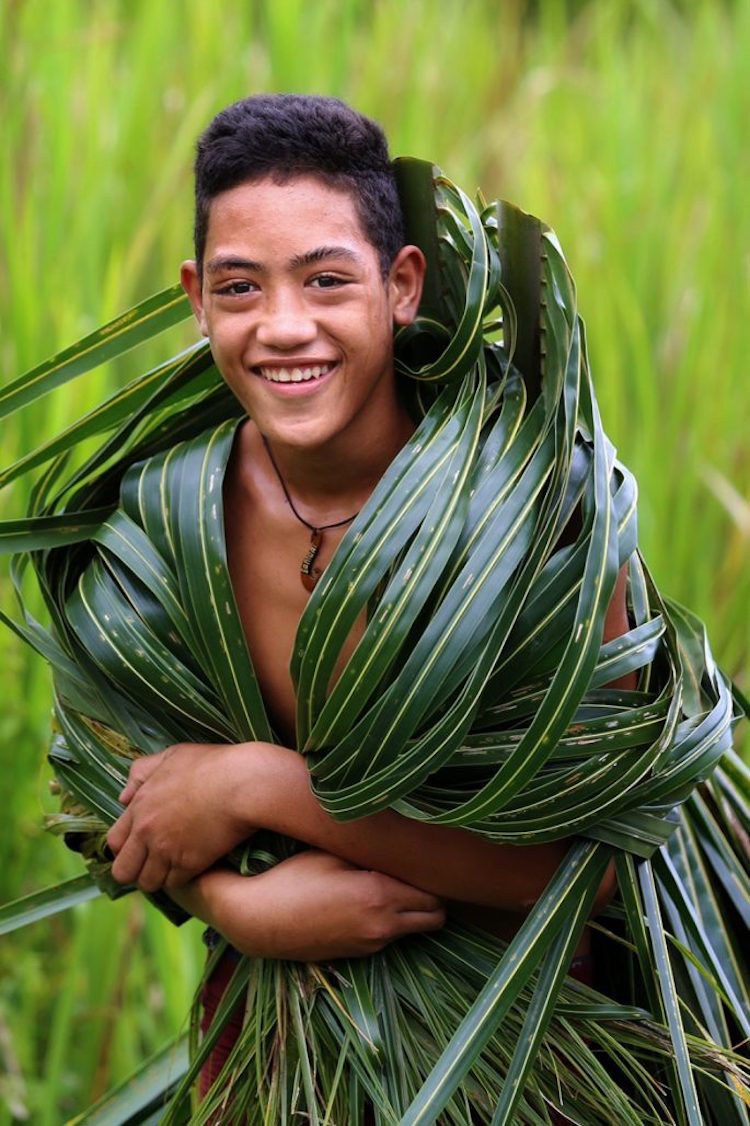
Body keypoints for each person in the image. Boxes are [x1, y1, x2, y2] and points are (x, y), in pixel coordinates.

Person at [104, 93, 628, 1108]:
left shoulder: (534, 515)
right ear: (195, 299)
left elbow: (583, 862)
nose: (283, 326)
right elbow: (123, 799)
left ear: (402, 285)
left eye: (326, 280)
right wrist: (237, 907)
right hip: (273, 1043)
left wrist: (255, 785)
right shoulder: (166, 519)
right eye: (240, 286)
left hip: (526, 1050)